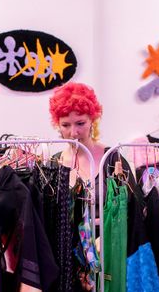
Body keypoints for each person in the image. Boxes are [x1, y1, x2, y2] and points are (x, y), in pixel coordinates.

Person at [49, 82, 138, 291]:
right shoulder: (54, 164)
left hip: (109, 255)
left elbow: (132, 210)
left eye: (80, 123)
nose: (73, 133)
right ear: (57, 125)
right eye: (65, 125)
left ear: (92, 121)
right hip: (69, 262)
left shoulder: (112, 159)